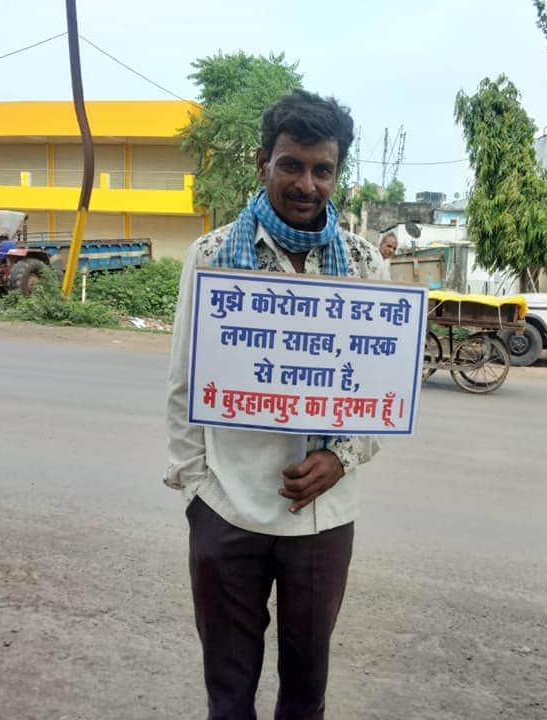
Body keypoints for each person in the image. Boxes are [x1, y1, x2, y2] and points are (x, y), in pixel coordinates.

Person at [164, 89, 387, 720]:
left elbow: (382, 394)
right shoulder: (211, 257)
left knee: (305, 691)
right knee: (228, 690)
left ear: (337, 173)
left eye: (323, 169)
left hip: (322, 518)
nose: (307, 184)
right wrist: (199, 492)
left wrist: (341, 459)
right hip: (226, 509)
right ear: (264, 162)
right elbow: (184, 383)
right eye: (291, 164)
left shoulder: (365, 266)